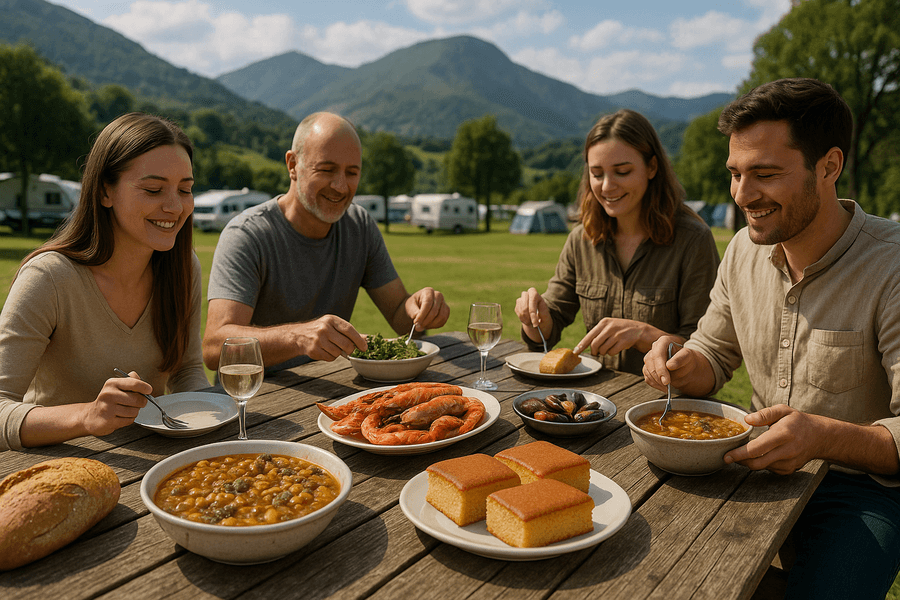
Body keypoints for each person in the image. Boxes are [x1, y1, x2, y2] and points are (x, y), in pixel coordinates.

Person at [642, 78, 900, 599]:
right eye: (735, 174)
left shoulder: (892, 265)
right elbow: (712, 353)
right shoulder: (741, 250)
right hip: (754, 467)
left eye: (765, 174)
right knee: (657, 573)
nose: (742, 195)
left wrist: (822, 436)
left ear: (829, 166)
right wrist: (680, 359)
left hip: (863, 491)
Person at [0, 113, 210, 451]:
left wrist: (217, 412)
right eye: (154, 189)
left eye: (185, 189)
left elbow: (186, 370)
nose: (174, 206)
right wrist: (88, 416)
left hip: (148, 461)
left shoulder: (184, 268)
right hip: (54, 467)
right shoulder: (48, 278)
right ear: (104, 192)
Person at [203, 112, 449, 371]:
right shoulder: (247, 235)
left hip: (330, 393)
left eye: (352, 173)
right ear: (292, 165)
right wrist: (297, 338)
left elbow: (400, 314)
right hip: (256, 401)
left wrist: (419, 309)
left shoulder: (359, 225)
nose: (341, 186)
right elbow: (215, 349)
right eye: (326, 169)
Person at [514, 109, 720, 375]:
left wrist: (644, 334)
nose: (607, 186)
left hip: (667, 405)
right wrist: (534, 316)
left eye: (622, 172)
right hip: (600, 402)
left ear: (652, 168)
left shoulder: (693, 240)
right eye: (597, 174)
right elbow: (549, 328)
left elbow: (706, 350)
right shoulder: (582, 238)